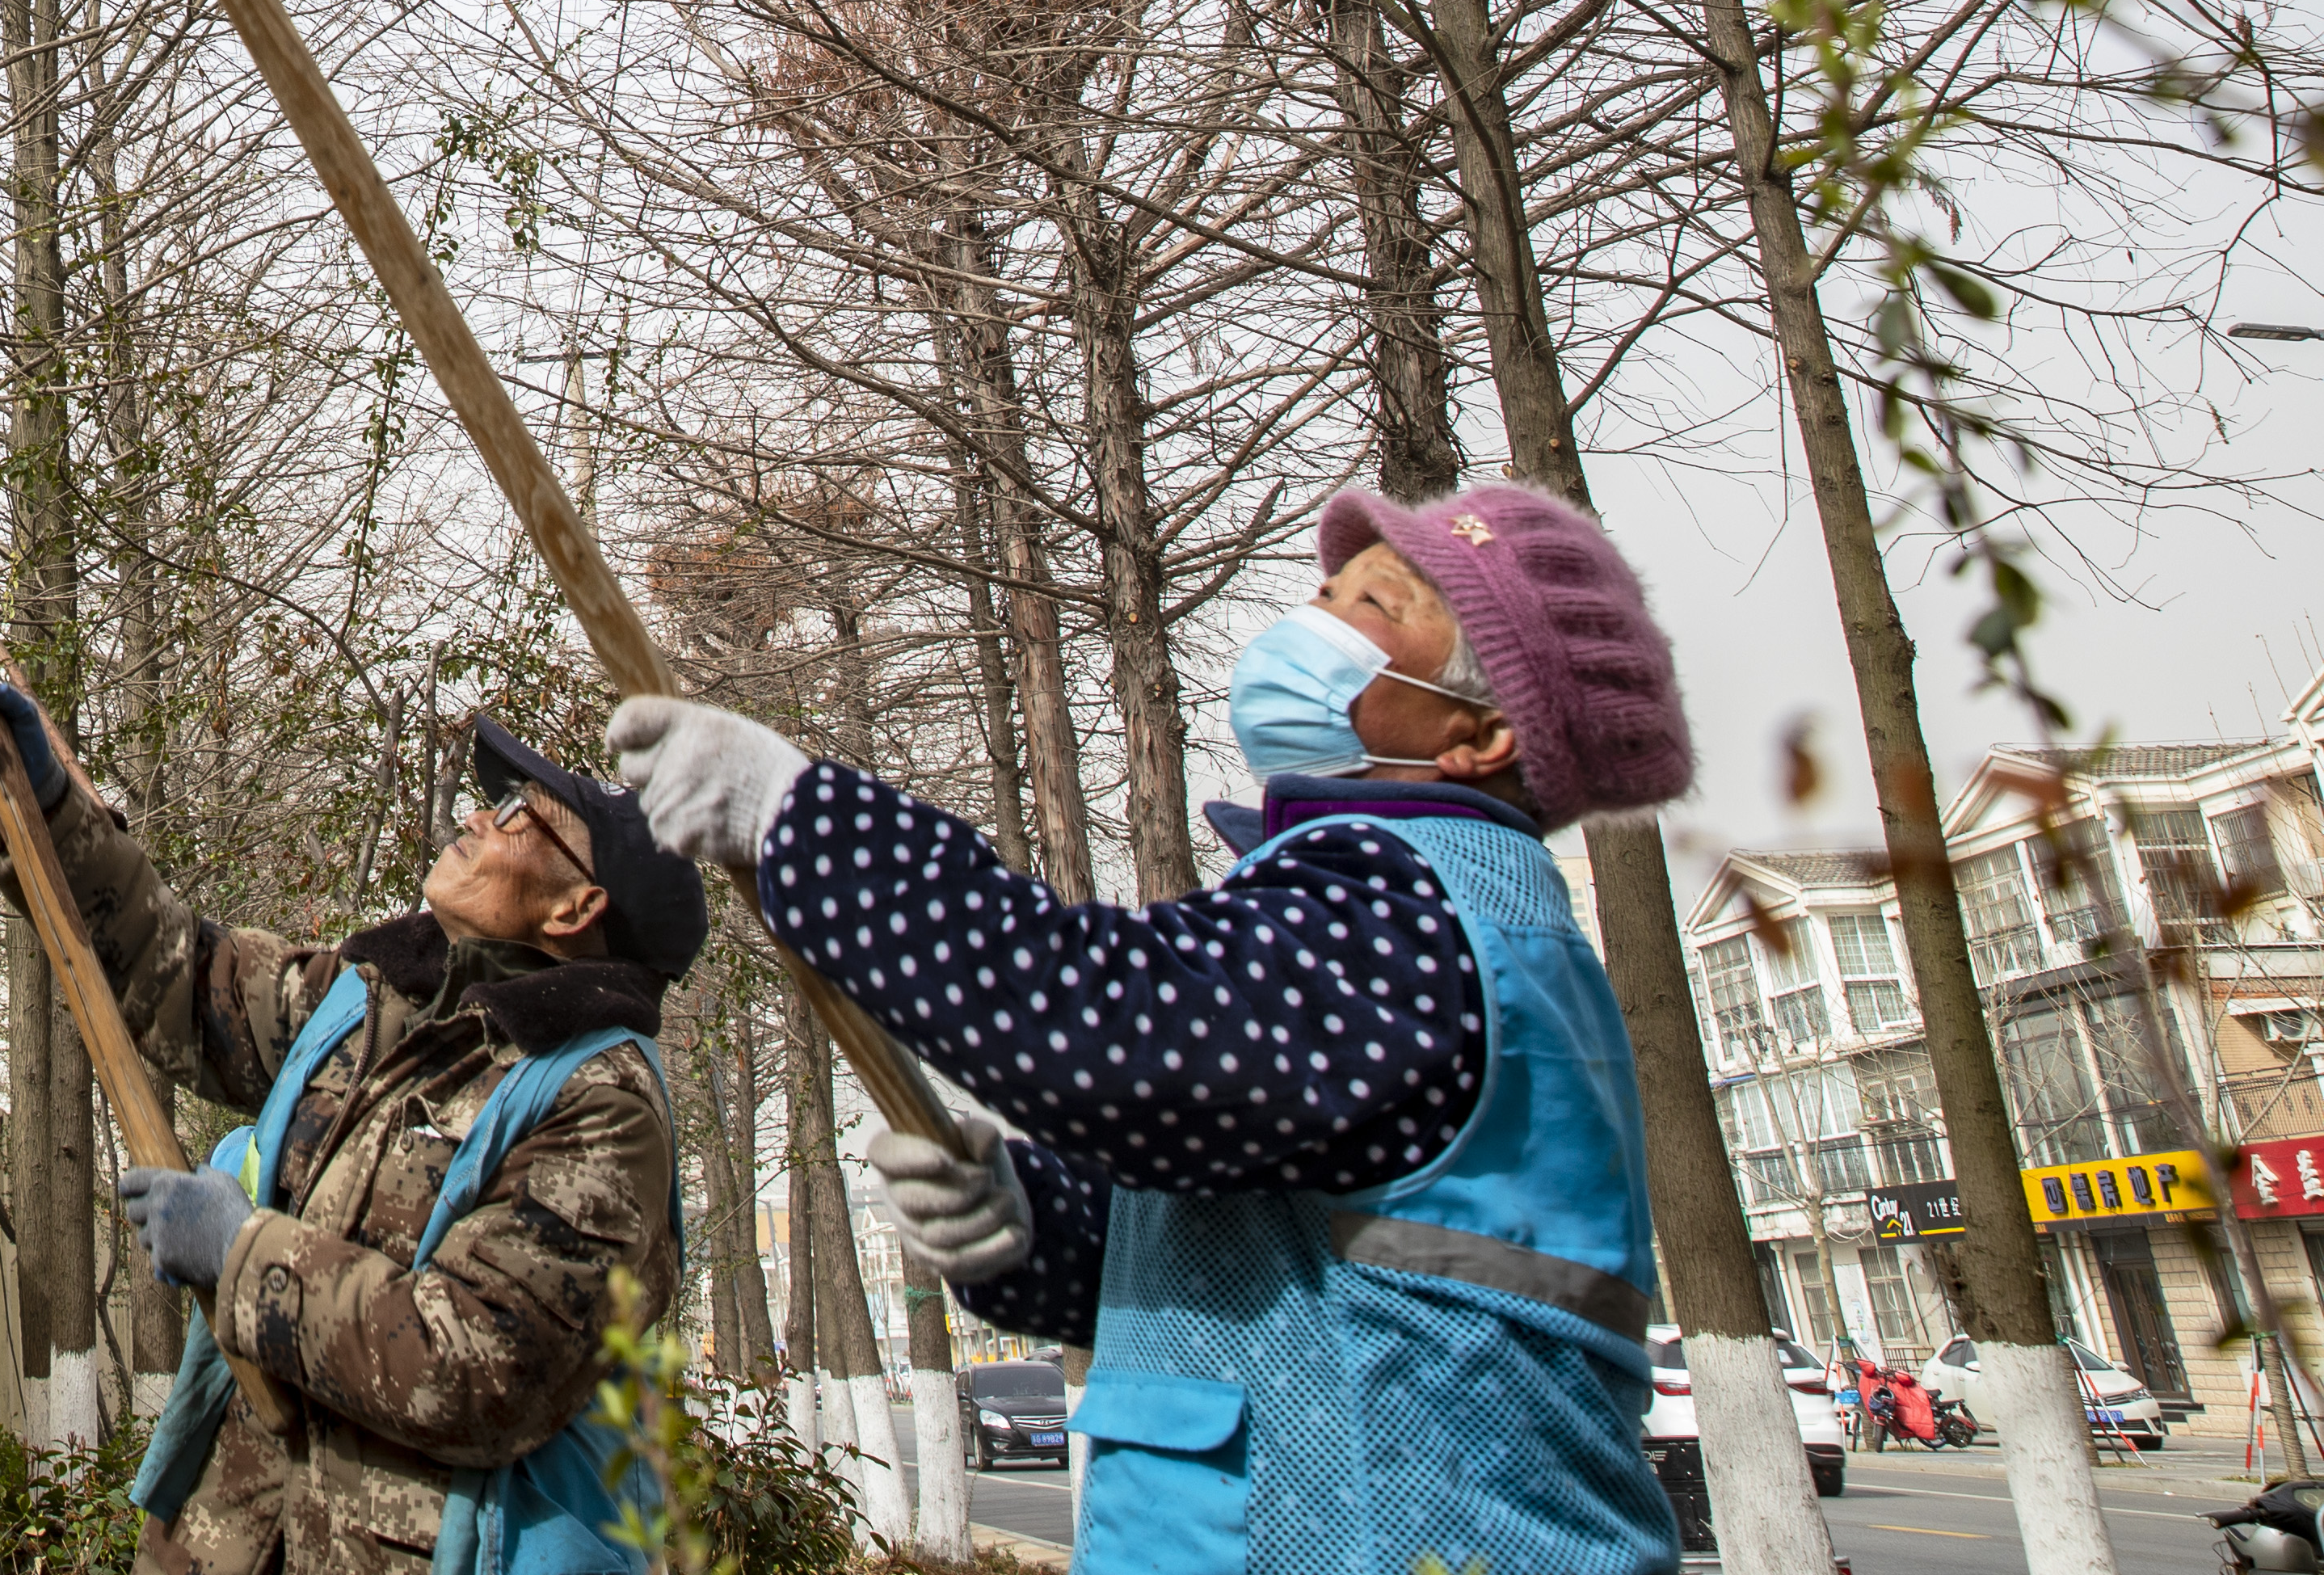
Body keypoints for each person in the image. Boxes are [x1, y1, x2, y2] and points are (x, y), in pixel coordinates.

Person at [607, 478, 1696, 1575]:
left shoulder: (1406, 917)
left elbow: (1105, 1037)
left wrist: (803, 827)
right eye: (1327, 587)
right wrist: (1036, 1227)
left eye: (1377, 601)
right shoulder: (1397, 913)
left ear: (1482, 733)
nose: (1315, 617)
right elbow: (1286, 1266)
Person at [0, 666, 700, 1574]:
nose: (480, 815)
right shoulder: (375, 1001)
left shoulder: (599, 1103)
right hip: (229, 1537)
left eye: (523, 817)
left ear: (578, 906)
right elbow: (181, 976)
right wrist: (48, 805)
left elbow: (481, 1366)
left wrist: (242, 1253)